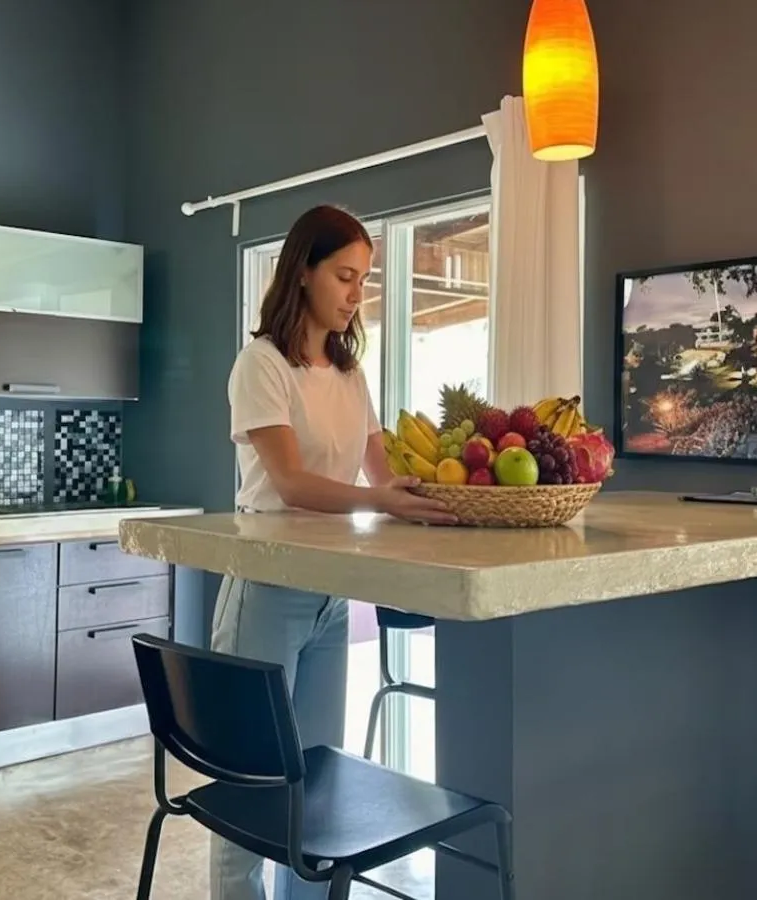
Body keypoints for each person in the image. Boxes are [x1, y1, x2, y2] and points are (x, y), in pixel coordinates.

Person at [210, 204, 457, 900]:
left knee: (314, 788)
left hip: (327, 591)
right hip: (264, 586)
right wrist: (382, 502)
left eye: (364, 280)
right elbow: (289, 484)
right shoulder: (261, 364)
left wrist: (444, 503)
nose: (356, 294)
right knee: (248, 785)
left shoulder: (349, 373)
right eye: (345, 276)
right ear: (303, 273)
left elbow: (381, 475)